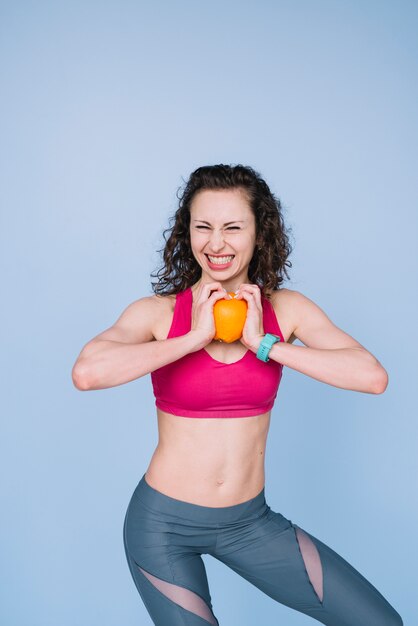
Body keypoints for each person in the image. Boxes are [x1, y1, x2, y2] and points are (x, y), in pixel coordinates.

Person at [72, 164, 403, 626]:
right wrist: (192, 338)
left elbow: (371, 376)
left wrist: (264, 344)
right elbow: (88, 372)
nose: (216, 243)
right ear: (186, 232)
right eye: (202, 226)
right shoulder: (158, 314)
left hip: (249, 524)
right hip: (162, 526)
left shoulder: (285, 310)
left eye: (232, 227)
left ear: (258, 232)